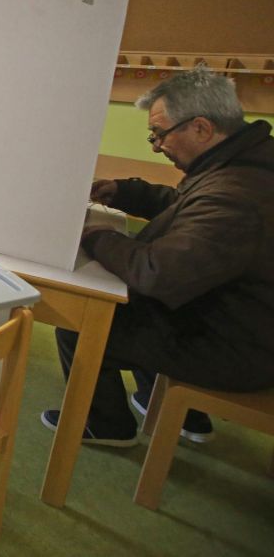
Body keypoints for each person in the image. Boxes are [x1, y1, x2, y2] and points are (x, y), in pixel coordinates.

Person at [40, 67, 274, 446]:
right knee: (137, 309)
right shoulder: (247, 165)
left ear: (201, 128)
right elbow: (188, 210)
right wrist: (127, 192)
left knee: (82, 322)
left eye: (160, 135)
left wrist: (95, 236)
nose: (156, 146)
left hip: (237, 347)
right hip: (241, 318)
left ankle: (107, 424)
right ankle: (169, 408)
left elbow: (157, 272)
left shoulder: (235, 194)